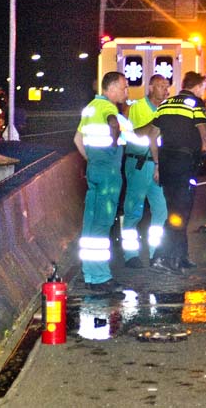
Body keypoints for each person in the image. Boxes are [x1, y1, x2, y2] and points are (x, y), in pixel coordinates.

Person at [151, 71, 206, 273]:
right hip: (184, 165)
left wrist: (157, 162)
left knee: (178, 209)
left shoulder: (166, 104)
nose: (205, 91)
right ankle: (162, 257)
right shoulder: (195, 104)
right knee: (179, 212)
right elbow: (205, 135)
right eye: (204, 86)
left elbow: (152, 136)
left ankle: (181, 256)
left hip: (167, 165)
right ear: (197, 86)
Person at [73, 71, 129, 292]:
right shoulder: (108, 108)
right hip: (108, 174)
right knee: (102, 226)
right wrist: (113, 144)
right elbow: (113, 123)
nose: (126, 91)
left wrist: (91, 158)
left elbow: (77, 139)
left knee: (89, 225)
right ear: (112, 87)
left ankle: (89, 273)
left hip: (94, 170)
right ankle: (100, 278)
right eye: (124, 87)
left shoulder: (90, 108)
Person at [121, 75, 169, 269]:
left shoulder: (166, 108)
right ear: (150, 88)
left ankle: (155, 253)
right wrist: (157, 121)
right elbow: (143, 135)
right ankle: (130, 255)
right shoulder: (138, 107)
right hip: (139, 164)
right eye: (161, 86)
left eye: (167, 86)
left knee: (161, 211)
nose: (165, 90)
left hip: (157, 165)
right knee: (133, 212)